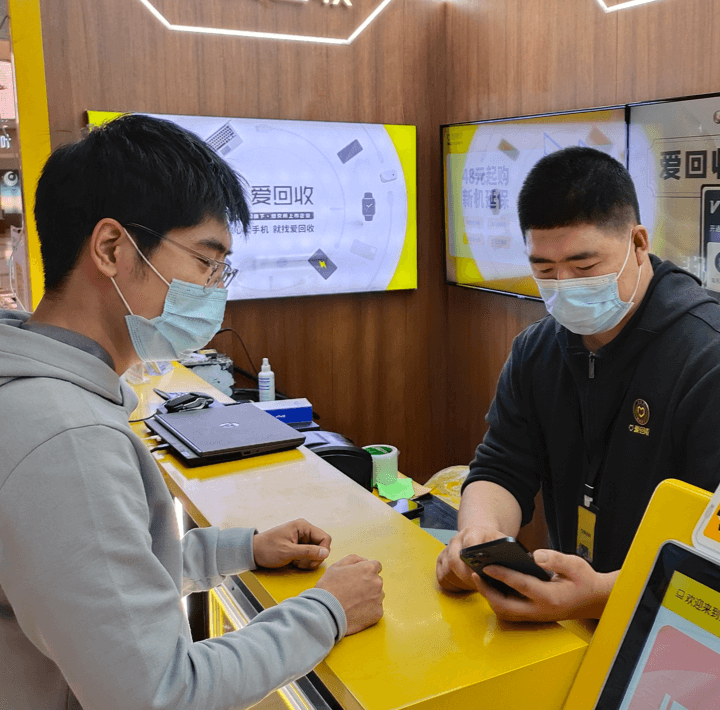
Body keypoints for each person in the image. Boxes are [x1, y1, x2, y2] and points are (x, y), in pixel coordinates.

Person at [0, 114, 384, 710]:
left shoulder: (41, 395)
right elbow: (162, 693)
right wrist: (329, 610)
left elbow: (99, 578)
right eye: (207, 263)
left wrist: (241, 550)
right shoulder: (67, 439)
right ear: (111, 249)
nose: (215, 288)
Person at [436, 146, 720, 622]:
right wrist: (478, 537)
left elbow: (710, 547)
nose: (565, 285)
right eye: (545, 271)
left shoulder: (706, 357)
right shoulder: (537, 350)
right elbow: (501, 468)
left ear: (638, 243)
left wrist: (606, 594)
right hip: (568, 621)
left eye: (584, 268)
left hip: (678, 629)